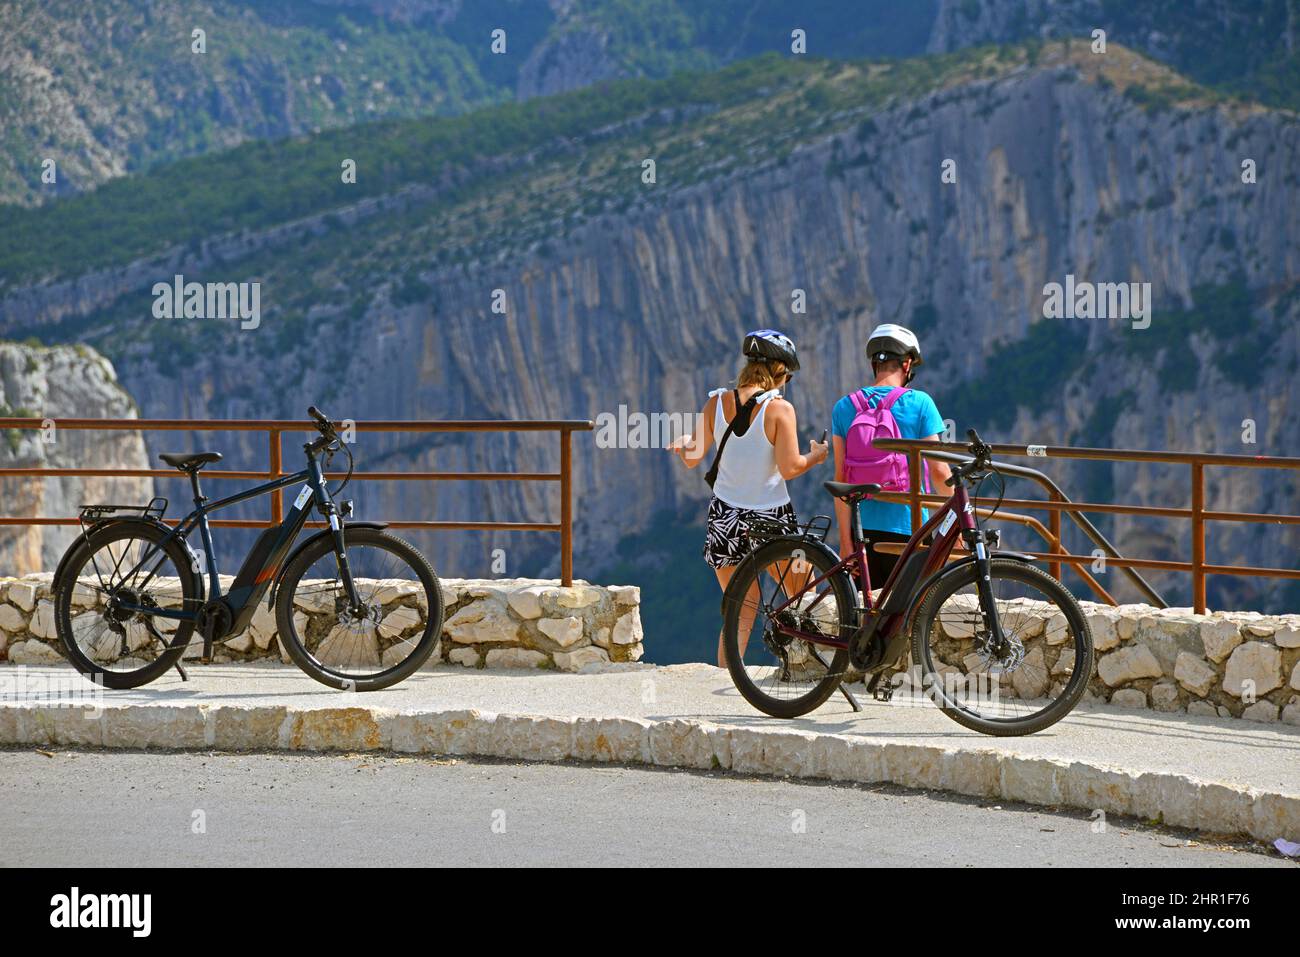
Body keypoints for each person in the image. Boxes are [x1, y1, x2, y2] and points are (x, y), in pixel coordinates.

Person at [669, 329, 828, 666]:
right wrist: (816, 455)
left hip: (724, 518)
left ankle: (726, 676)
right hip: (770, 518)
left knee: (741, 605)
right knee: (803, 590)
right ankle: (804, 671)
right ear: (780, 372)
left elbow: (692, 457)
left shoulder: (716, 403)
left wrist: (683, 442)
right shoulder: (780, 410)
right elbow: (789, 467)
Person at [830, 323, 952, 590]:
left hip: (862, 531)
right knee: (911, 613)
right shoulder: (920, 403)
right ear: (907, 364)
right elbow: (940, 472)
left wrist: (845, 542)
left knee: (866, 619)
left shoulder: (844, 407)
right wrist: (957, 520)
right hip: (911, 531)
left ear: (875, 363)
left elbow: (841, 479)